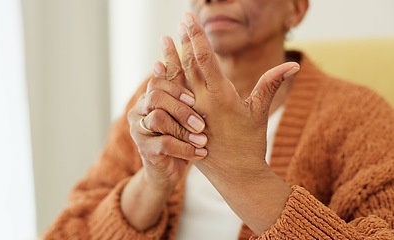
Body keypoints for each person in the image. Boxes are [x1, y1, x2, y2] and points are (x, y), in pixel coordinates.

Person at [44, 0, 394, 239]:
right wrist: (151, 183)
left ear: (295, 8)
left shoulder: (360, 115)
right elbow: (68, 232)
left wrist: (244, 177)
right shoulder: (155, 101)